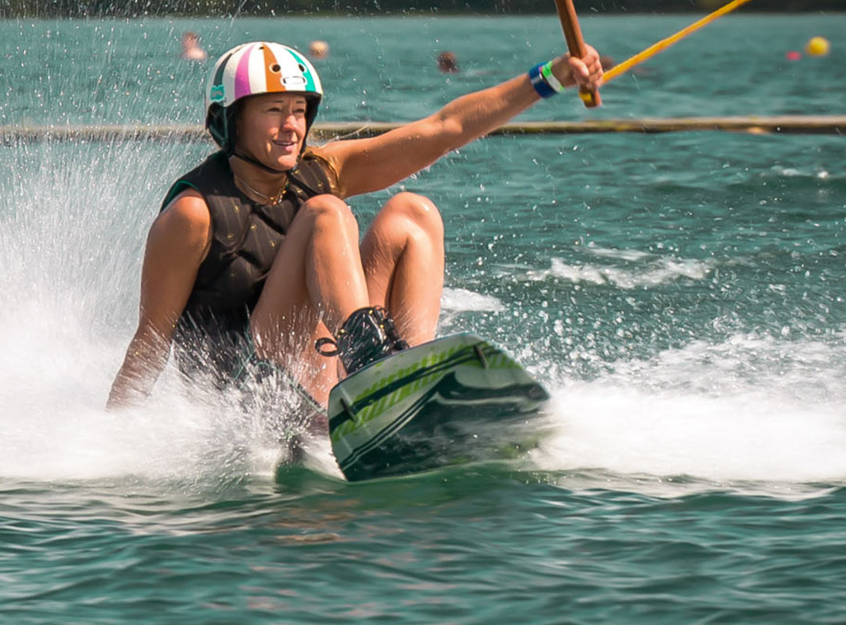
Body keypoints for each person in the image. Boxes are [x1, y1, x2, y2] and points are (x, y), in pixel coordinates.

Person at [107, 39, 602, 411]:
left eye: (299, 111)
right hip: (248, 397)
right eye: (273, 111)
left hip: (318, 368)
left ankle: (405, 382)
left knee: (412, 214)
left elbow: (443, 130)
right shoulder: (193, 213)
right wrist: (113, 441)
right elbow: (151, 340)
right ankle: (372, 365)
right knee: (327, 212)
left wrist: (549, 78)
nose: (291, 127)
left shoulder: (323, 168)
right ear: (232, 121)